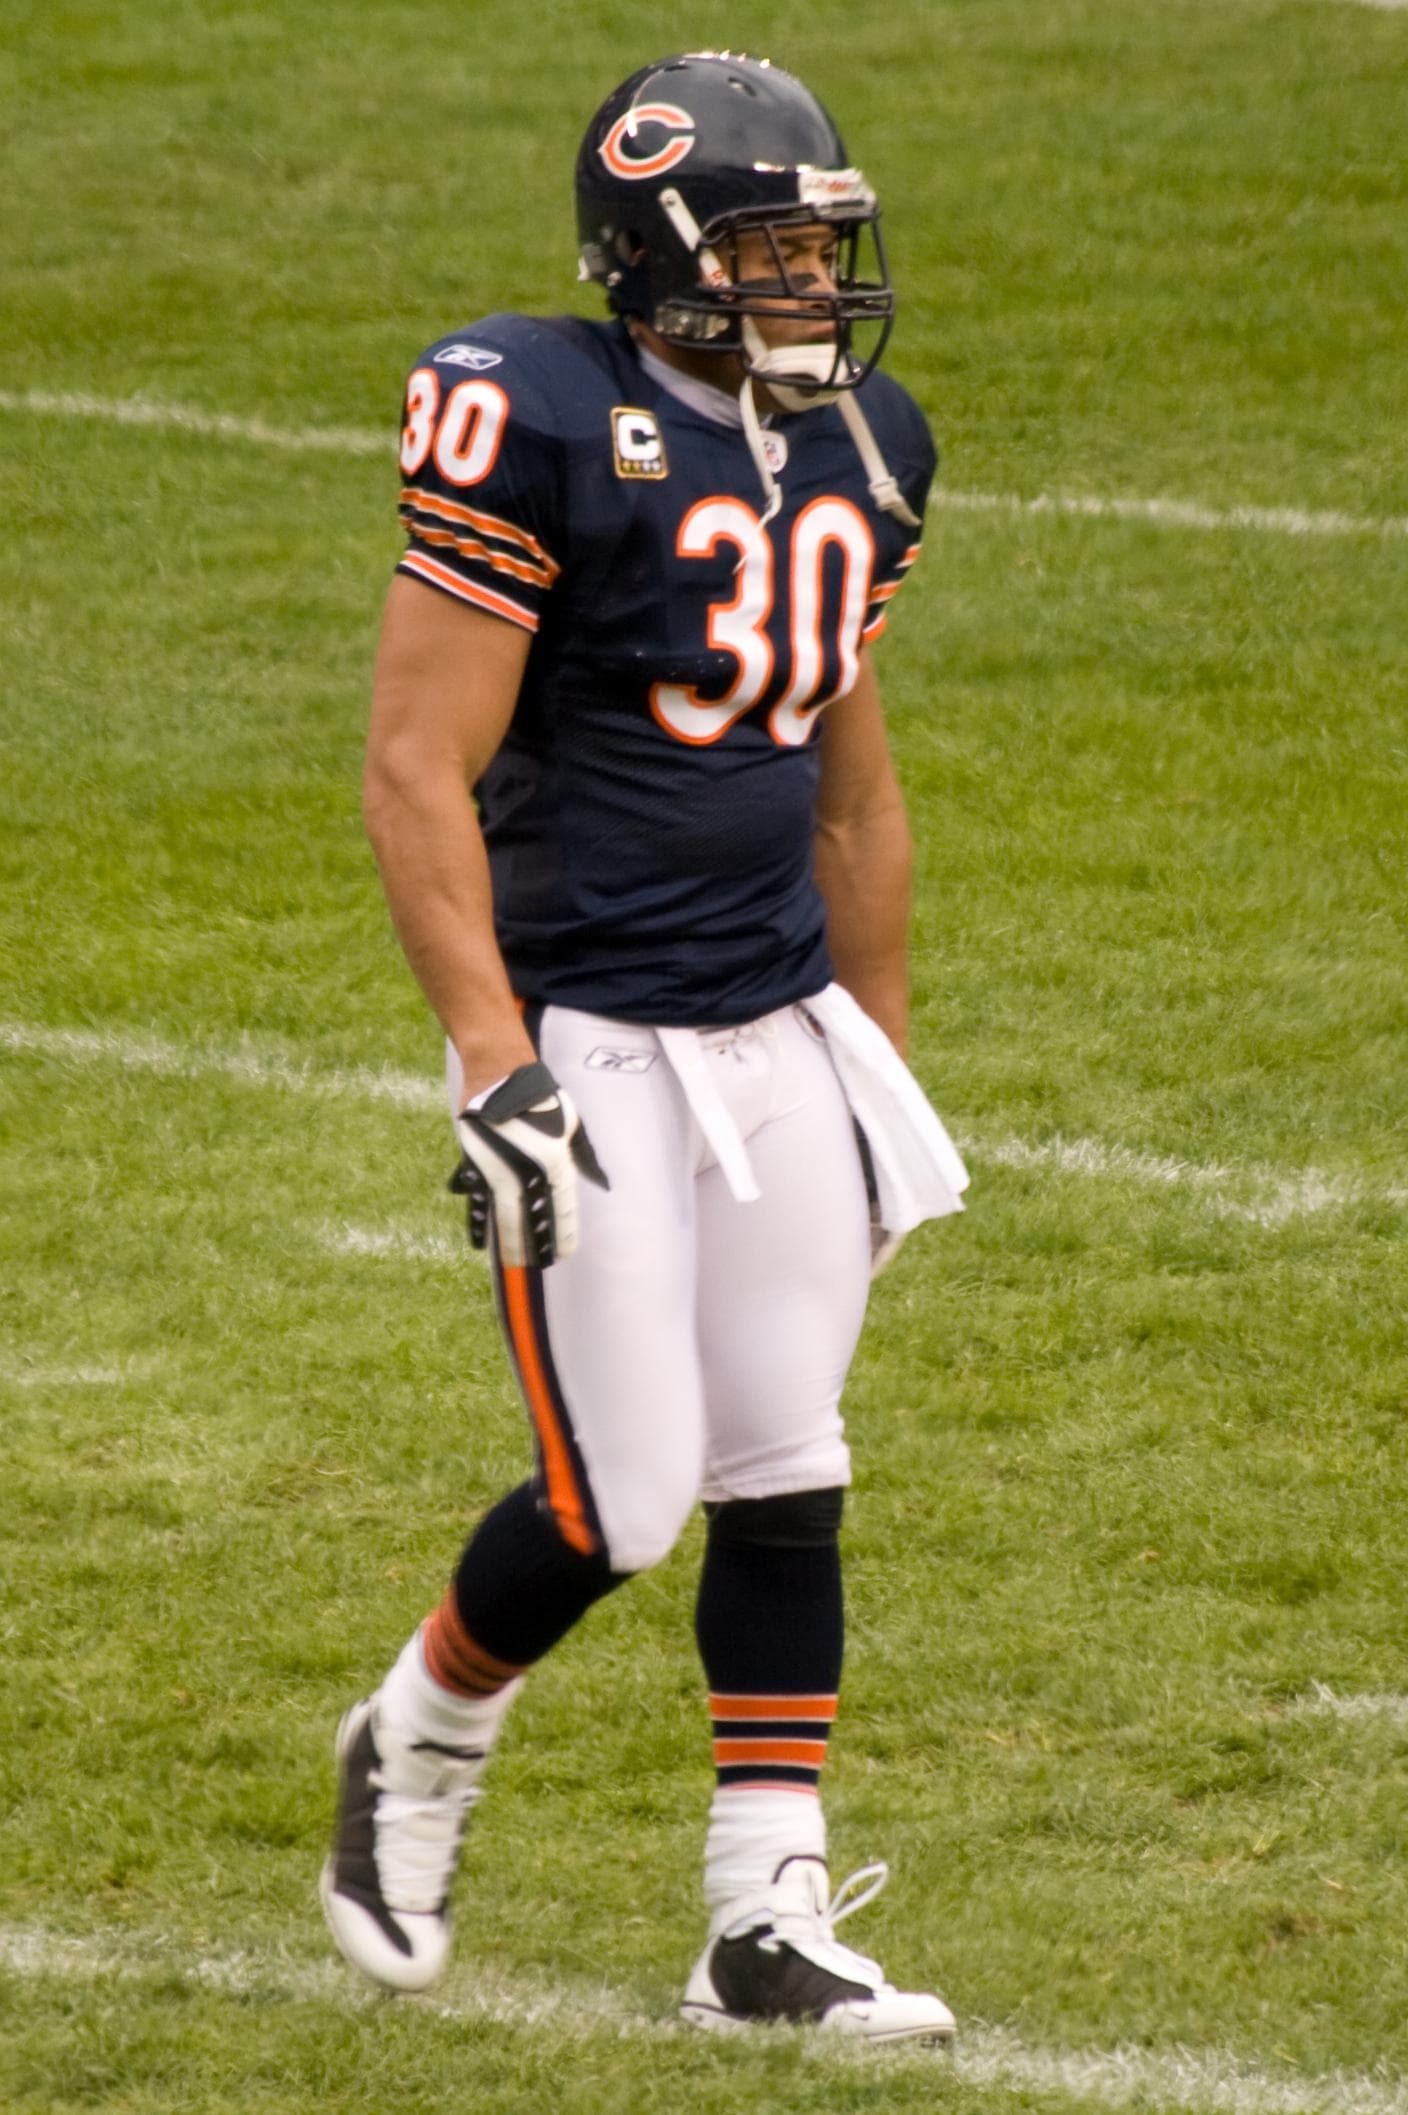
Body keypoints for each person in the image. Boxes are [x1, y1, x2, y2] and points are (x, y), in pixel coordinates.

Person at [321, 50, 969, 2043]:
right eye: (769, 249)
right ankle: (419, 1733)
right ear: (659, 258)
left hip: (774, 1022)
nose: (811, 283)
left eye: (820, 246)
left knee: (789, 1461)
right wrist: (488, 1056)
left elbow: (852, 796)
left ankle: (761, 1916)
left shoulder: (862, 444)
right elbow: (413, 761)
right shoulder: (535, 412)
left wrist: (873, 1064)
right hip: (588, 1026)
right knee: (621, 1495)